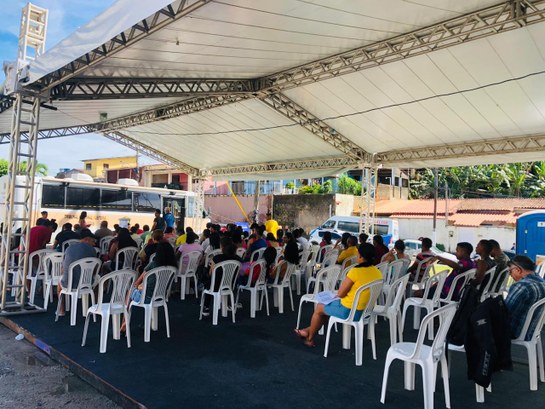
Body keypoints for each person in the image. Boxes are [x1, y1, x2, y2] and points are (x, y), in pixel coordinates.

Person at [294, 243, 382, 347]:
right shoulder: (377, 272)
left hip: (348, 310)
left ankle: (310, 339)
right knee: (326, 309)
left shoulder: (355, 271)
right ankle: (308, 330)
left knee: (319, 308)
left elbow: (340, 293)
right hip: (364, 310)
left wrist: (337, 295)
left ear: (361, 256)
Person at [121, 242, 177, 333]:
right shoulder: (173, 267)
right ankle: (149, 321)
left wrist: (138, 287)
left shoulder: (153, 264)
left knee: (130, 291)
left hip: (146, 297)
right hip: (160, 297)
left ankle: (124, 323)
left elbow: (138, 282)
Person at [57, 229, 98, 316]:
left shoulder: (69, 248)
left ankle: (61, 309)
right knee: (98, 279)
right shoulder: (92, 250)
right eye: (92, 240)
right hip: (86, 284)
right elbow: (94, 270)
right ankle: (96, 306)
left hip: (68, 284)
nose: (94, 243)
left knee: (59, 284)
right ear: (87, 239)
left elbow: (63, 268)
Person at [505, 255, 545, 340]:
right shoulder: (542, 283)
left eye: (510, 272)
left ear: (518, 270)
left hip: (516, 332)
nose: (510, 275)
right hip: (533, 331)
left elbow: (505, 312)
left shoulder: (521, 286)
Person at [202, 237, 242, 316]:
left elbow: (211, 273)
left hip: (215, 286)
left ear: (222, 247)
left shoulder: (217, 258)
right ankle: (229, 304)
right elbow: (238, 274)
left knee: (209, 280)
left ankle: (206, 307)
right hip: (230, 286)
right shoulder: (238, 259)